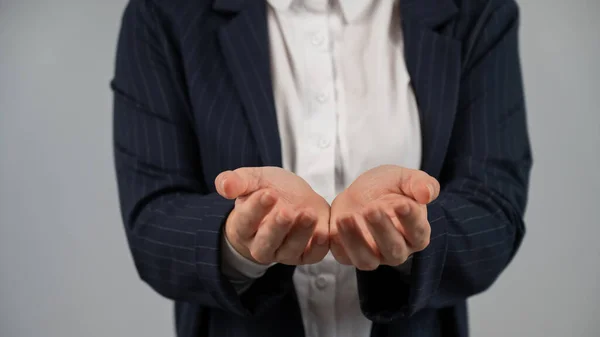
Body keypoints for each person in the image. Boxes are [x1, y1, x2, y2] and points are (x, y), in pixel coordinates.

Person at [111, 0, 532, 336]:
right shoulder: (163, 12)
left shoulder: (479, 10)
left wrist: (408, 226)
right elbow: (152, 222)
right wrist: (237, 238)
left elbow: (494, 208)